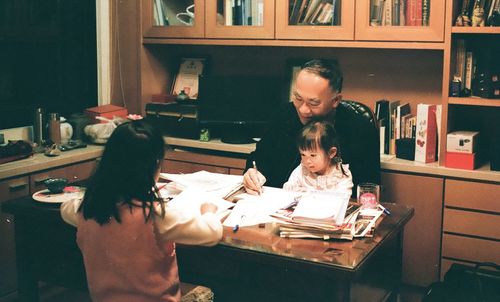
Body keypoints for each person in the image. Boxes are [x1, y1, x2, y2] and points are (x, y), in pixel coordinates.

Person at [60, 120, 222, 302]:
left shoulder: (85, 209)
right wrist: (209, 211)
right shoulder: (155, 216)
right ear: (155, 164)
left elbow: (65, 208)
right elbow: (212, 233)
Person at [243, 59, 380, 196]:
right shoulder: (283, 115)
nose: (303, 110)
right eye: (298, 98)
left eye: (313, 103)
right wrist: (251, 173)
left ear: (336, 101)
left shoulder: (360, 129)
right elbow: (259, 158)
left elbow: (368, 188)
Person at [283, 120, 353, 196]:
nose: (307, 161)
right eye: (303, 154)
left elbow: (343, 198)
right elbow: (289, 189)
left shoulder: (341, 174)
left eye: (313, 155)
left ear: (331, 153)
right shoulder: (302, 170)